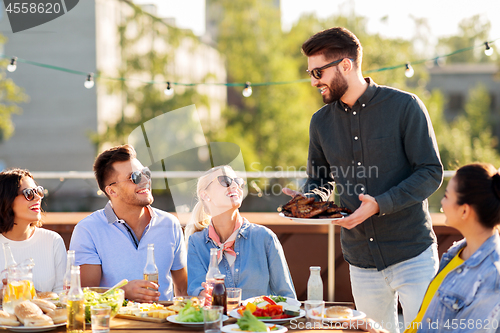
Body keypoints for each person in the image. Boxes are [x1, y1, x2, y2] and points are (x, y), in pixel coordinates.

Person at [283, 27, 443, 333]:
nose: (314, 81)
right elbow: (319, 179)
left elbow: (430, 171)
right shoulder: (320, 123)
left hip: (412, 253)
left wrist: (380, 204)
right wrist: (311, 200)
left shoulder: (405, 107)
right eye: (310, 72)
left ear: (345, 65)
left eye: (318, 71)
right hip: (360, 260)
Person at [69, 144, 187, 302]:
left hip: (162, 323)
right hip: (115, 324)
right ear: (112, 191)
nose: (145, 180)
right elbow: (85, 296)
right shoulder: (87, 230)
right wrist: (121, 292)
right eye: (135, 177)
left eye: (145, 173)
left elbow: (183, 288)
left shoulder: (170, 224)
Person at [404, 163, 500, 333]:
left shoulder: (492, 277)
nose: (442, 201)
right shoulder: (456, 252)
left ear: (464, 211)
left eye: (447, 196)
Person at [186, 165, 296, 300]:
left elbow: (288, 298)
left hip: (261, 320)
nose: (234, 186)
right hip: (219, 320)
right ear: (205, 195)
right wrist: (202, 294)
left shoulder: (265, 238)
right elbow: (196, 292)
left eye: (237, 182)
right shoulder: (195, 243)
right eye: (225, 181)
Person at [0, 168, 66, 293]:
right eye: (28, 193)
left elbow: (62, 296)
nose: (37, 198)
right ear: (6, 199)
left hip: (43, 313)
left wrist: (29, 293)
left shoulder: (52, 241)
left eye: (39, 191)